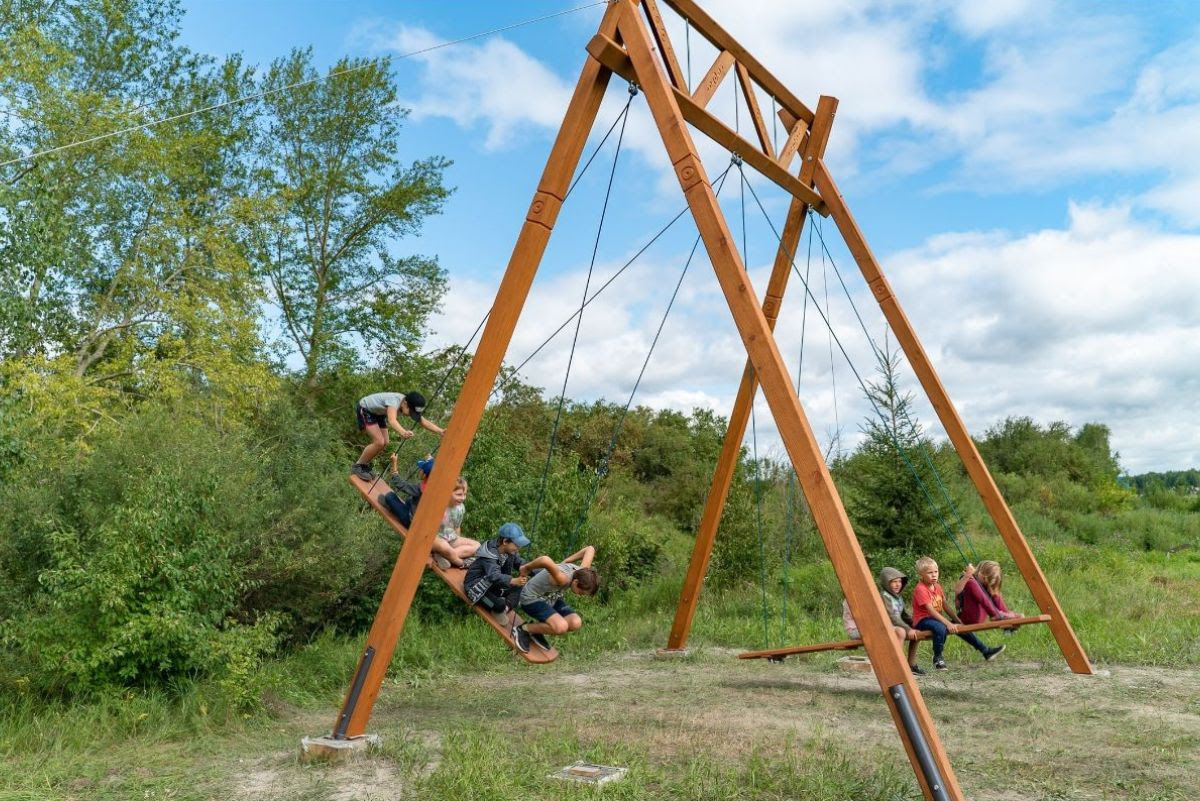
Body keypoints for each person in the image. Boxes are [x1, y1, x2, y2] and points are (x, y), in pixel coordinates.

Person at [912, 556, 1004, 671]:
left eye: (936, 572)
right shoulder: (920, 589)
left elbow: (945, 605)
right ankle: (938, 658)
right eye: (930, 573)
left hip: (935, 620)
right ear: (921, 575)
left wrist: (956, 620)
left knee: (960, 627)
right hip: (922, 620)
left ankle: (985, 651)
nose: (934, 575)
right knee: (940, 627)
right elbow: (931, 610)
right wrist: (948, 624)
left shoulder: (937, 587)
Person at [511, 545, 600, 653]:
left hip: (550, 599)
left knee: (575, 622)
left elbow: (590, 549)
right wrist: (526, 568)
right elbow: (545, 560)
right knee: (561, 627)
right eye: (581, 592)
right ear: (576, 582)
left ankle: (536, 631)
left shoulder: (582, 571)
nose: (580, 595)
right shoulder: (563, 579)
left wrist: (567, 561)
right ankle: (523, 629)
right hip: (531, 599)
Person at [841, 565, 924, 675]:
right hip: (857, 630)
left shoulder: (895, 597)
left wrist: (915, 625)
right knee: (900, 631)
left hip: (873, 627)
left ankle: (909, 664)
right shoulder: (852, 600)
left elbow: (903, 615)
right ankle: (898, 665)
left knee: (914, 631)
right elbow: (867, 619)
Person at [352, 391, 444, 480]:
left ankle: (364, 465)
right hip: (366, 409)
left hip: (378, 414)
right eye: (410, 411)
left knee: (385, 442)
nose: (410, 415)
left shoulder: (406, 403)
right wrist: (403, 432)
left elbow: (423, 422)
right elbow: (392, 420)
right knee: (379, 442)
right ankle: (358, 466)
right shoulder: (394, 401)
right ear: (405, 402)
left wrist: (440, 431)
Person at [464, 523, 531, 625]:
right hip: (477, 587)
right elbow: (493, 575)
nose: (518, 548)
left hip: (493, 585)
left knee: (520, 588)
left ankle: (504, 608)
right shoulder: (489, 554)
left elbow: (521, 563)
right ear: (505, 541)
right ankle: (500, 607)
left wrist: (534, 568)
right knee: (499, 604)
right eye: (517, 545)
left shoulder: (509, 552)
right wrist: (512, 580)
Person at [954, 561, 1021, 626]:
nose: (986, 581)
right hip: (966, 618)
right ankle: (996, 614)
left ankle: (1005, 614)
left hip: (979, 618)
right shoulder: (969, 579)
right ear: (980, 573)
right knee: (972, 583)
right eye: (985, 579)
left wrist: (992, 588)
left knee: (993, 589)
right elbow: (957, 590)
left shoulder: (983, 584)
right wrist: (967, 575)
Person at [431, 477, 478, 569]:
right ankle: (460, 563)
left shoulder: (460, 508)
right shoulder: (439, 506)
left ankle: (444, 557)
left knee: (477, 546)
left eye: (464, 494)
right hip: (436, 539)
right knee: (443, 546)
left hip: (450, 538)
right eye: (459, 494)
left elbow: (457, 527)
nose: (463, 498)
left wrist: (459, 540)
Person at [379, 453, 434, 527]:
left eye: (421, 469)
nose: (419, 470)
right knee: (410, 499)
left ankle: (392, 508)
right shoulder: (433, 486)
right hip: (419, 520)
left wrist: (394, 463)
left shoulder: (420, 489)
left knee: (390, 496)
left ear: (424, 475)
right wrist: (431, 460)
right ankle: (399, 508)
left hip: (410, 522)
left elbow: (400, 485)